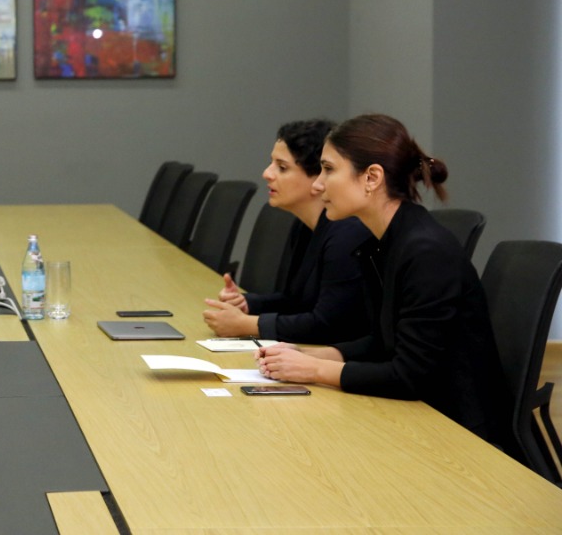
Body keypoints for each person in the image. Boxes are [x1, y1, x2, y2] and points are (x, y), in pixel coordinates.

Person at [255, 114, 513, 448]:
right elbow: (383, 342)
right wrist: (308, 354)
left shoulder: (425, 251)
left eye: (329, 170)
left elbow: (409, 375)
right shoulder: (385, 241)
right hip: (420, 415)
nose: (318, 185)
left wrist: (313, 370)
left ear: (371, 178)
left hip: (459, 434)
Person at [202, 119, 370, 343]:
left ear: (319, 177)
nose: (267, 173)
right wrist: (247, 303)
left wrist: (249, 325)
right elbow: (297, 301)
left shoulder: (347, 234)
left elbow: (329, 325)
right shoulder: (305, 226)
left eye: (282, 167)